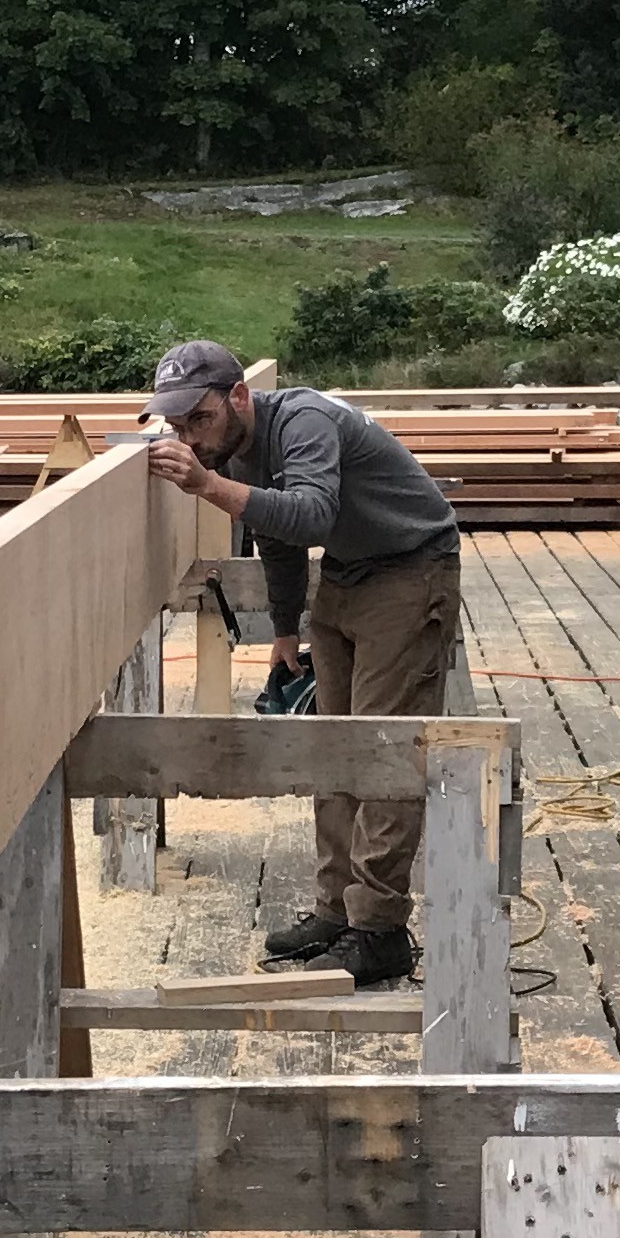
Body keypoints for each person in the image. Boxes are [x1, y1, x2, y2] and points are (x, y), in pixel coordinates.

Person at [143, 337, 465, 987]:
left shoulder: (303, 421)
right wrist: (285, 627)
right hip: (347, 576)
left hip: (411, 571)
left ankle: (379, 931)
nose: (192, 438)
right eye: (178, 427)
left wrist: (206, 485)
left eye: (199, 420)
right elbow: (279, 537)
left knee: (383, 751)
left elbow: (312, 514)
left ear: (239, 396)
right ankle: (337, 910)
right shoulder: (240, 444)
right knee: (332, 751)